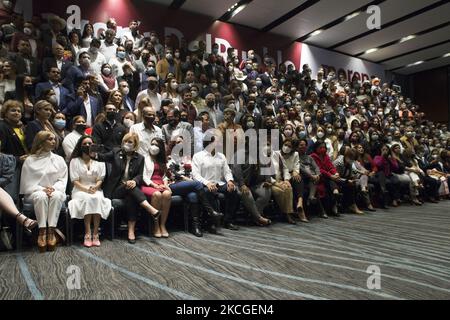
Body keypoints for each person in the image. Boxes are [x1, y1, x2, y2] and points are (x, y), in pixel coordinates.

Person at [93, 133, 161, 244]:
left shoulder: (140, 158)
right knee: (129, 188)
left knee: (131, 196)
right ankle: (150, 209)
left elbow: (140, 175)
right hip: (115, 190)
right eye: (125, 141)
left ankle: (131, 231)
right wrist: (93, 153)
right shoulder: (116, 152)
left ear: (135, 144)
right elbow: (102, 157)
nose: (127, 144)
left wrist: (134, 181)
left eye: (130, 142)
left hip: (131, 190)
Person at [20, 131, 68, 252]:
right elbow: (27, 182)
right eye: (49, 139)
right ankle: (42, 232)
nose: (53, 141)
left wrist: (54, 188)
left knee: (56, 196)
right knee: (41, 196)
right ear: (41, 142)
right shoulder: (30, 160)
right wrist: (42, 189)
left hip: (55, 190)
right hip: (34, 192)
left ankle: (51, 231)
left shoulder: (59, 159)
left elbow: (63, 179)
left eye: (54, 139)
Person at [167, 135, 223, 236]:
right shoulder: (170, 158)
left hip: (191, 186)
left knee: (193, 196)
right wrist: (188, 179)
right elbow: (172, 174)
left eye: (181, 142)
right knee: (198, 184)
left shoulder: (188, 157)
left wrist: (191, 180)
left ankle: (195, 226)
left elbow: (194, 172)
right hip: (175, 185)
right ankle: (211, 211)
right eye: (177, 142)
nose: (179, 144)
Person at [68, 135, 111, 247]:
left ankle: (96, 233)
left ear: (94, 146)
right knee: (88, 198)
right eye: (85, 144)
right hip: (79, 189)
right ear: (80, 146)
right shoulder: (74, 161)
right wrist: (86, 189)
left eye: (90, 144)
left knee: (96, 198)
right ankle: (87, 232)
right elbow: (75, 181)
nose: (87, 146)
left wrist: (95, 188)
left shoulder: (99, 160)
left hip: (96, 188)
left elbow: (100, 179)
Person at [192, 134, 240, 231]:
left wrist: (230, 181)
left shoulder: (221, 156)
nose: (220, 144)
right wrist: (207, 183)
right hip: (205, 184)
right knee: (208, 192)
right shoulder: (198, 156)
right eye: (217, 142)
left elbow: (227, 171)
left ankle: (228, 221)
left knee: (234, 191)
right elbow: (196, 175)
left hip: (219, 183)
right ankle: (211, 223)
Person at [140, 138, 172, 238]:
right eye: (152, 144)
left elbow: (165, 176)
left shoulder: (162, 159)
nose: (153, 147)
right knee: (157, 194)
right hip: (148, 184)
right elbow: (143, 175)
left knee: (167, 194)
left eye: (156, 145)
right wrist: (154, 185)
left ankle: (163, 225)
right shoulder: (144, 158)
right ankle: (156, 225)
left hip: (161, 183)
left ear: (161, 148)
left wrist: (166, 185)